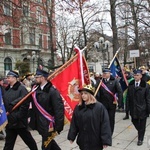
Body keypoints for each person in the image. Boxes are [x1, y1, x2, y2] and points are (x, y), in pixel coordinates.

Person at [68, 84, 112, 150]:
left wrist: (105, 140)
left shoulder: (99, 107)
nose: (83, 95)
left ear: (90, 95)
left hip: (95, 141)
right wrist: (72, 136)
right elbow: (74, 123)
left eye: (85, 93)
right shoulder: (78, 107)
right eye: (82, 93)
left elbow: (105, 124)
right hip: (83, 140)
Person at [29, 69, 64, 150]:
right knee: (50, 142)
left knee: (45, 145)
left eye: (37, 77)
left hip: (49, 124)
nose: (35, 79)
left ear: (43, 78)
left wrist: (59, 126)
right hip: (39, 122)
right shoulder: (35, 90)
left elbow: (58, 109)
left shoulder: (52, 91)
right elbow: (26, 99)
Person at [3, 70, 38, 150]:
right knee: (8, 143)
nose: (7, 79)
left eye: (9, 77)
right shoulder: (7, 89)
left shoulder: (21, 89)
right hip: (10, 122)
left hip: (19, 122)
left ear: (14, 78)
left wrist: (17, 116)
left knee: (29, 140)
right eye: (7, 77)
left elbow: (25, 104)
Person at [126, 69, 150, 146]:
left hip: (143, 109)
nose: (135, 76)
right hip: (133, 108)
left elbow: (148, 98)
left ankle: (140, 139)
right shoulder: (131, 84)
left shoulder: (145, 86)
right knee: (134, 121)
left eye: (137, 75)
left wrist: (148, 110)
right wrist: (127, 108)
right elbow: (128, 97)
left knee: (142, 124)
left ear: (141, 76)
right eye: (135, 75)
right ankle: (141, 131)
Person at [96, 68, 123, 135]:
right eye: (103, 73)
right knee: (103, 119)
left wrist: (120, 103)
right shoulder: (100, 81)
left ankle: (110, 133)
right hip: (102, 104)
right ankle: (104, 131)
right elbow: (97, 92)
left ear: (109, 74)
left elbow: (120, 92)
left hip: (111, 104)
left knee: (111, 119)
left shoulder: (115, 81)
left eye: (105, 73)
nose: (104, 75)